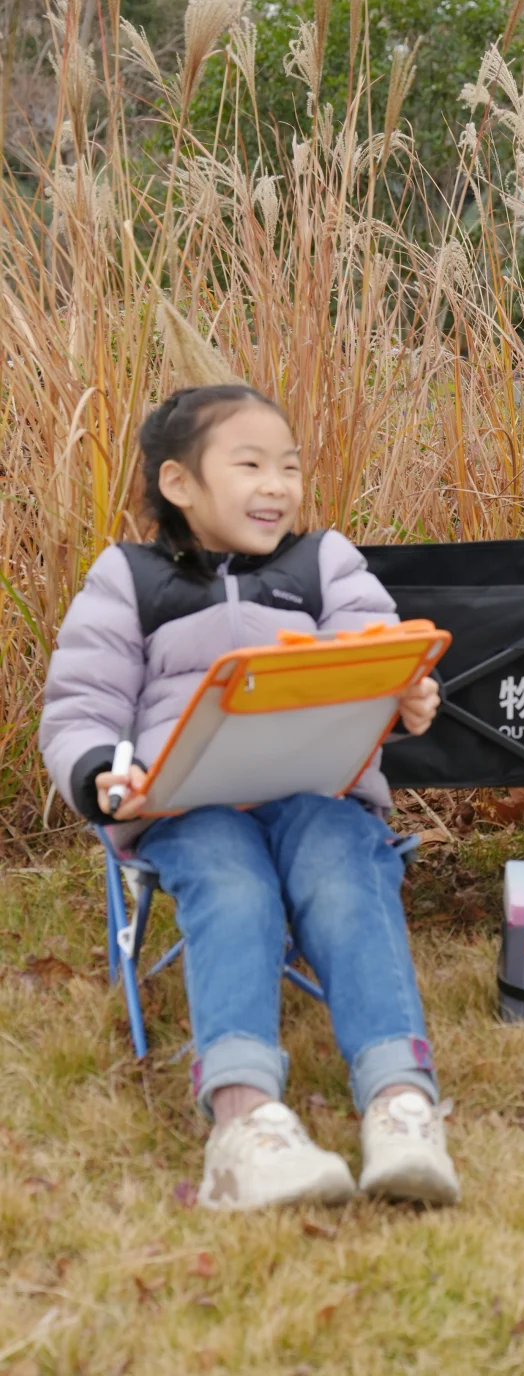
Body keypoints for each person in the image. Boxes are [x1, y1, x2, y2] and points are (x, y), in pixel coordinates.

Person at [39, 384, 460, 1213]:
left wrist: (407, 699)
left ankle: (399, 1102)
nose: (278, 485)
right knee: (230, 882)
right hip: (186, 804)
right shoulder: (128, 577)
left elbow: (380, 657)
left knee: (345, 866)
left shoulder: (324, 563)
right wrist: (101, 775)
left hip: (316, 789)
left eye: (291, 467)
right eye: (251, 465)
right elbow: (82, 707)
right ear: (179, 484)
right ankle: (244, 1125)